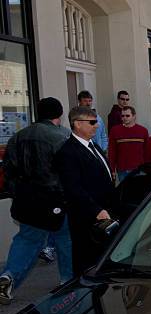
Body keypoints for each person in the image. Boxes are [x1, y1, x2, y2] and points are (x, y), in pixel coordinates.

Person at [0, 98, 73, 305]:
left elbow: (8, 171)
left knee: (27, 239)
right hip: (56, 199)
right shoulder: (63, 136)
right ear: (58, 115)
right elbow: (69, 171)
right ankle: (67, 280)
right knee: (65, 239)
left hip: (27, 199)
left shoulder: (17, 137)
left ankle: (8, 277)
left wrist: (19, 193)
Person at [55, 106, 116, 276]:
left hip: (104, 214)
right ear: (77, 124)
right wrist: (96, 210)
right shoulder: (68, 152)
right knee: (87, 262)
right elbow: (73, 188)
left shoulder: (93, 145)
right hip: (87, 219)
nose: (97, 126)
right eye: (92, 122)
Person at [107, 106, 149, 182]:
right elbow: (112, 152)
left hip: (139, 170)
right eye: (122, 116)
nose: (124, 118)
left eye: (127, 116)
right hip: (122, 170)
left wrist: (147, 168)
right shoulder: (115, 131)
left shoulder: (143, 131)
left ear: (134, 116)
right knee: (125, 192)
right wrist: (111, 169)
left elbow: (147, 152)